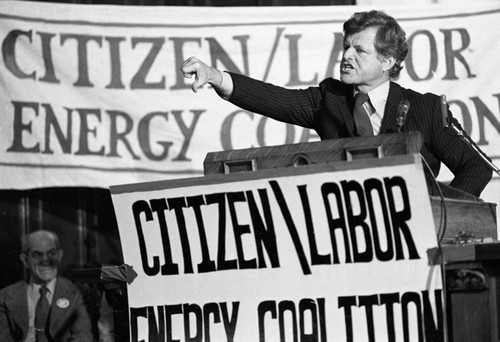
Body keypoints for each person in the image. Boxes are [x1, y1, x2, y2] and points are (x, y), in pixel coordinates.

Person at [181, 10, 492, 198]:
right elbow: (276, 100)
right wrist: (216, 77)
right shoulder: (329, 100)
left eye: (360, 50)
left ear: (388, 61)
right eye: (346, 47)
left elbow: (475, 165)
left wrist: (442, 215)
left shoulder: (424, 108)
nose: (346, 56)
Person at [0, 230, 93, 342]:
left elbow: (83, 336)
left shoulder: (76, 292)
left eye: (51, 253)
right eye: (37, 254)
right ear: (25, 260)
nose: (46, 260)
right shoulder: (5, 296)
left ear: (59, 255)